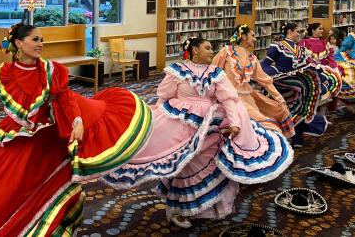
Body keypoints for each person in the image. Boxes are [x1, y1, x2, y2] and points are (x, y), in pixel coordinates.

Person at [0, 23, 152, 236]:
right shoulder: (0, 75)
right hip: (14, 138)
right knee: (1, 195)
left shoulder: (51, 70)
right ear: (18, 43)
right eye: (35, 40)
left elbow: (66, 100)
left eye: (42, 40)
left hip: (46, 139)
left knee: (47, 191)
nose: (41, 44)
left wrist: (77, 122)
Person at [103, 36, 293, 228]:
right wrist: (157, 122)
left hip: (209, 125)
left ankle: (200, 208)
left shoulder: (216, 73)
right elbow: (164, 97)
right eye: (208, 47)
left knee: (207, 164)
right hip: (181, 125)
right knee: (183, 165)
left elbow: (229, 100)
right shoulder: (177, 71)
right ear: (195, 50)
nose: (212, 51)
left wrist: (235, 123)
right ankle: (176, 209)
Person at [212, 24, 295, 138]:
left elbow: (264, 80)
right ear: (244, 36)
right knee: (264, 125)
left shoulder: (252, 57)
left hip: (248, 98)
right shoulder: (226, 51)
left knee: (270, 118)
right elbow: (213, 72)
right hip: (229, 98)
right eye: (252, 35)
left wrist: (279, 98)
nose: (255, 39)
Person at [260, 22, 333, 148]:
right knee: (285, 109)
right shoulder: (278, 46)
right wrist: (270, 75)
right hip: (281, 84)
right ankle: (281, 136)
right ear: (289, 32)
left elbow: (306, 65)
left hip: (298, 84)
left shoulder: (300, 49)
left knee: (299, 108)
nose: (299, 34)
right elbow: (266, 64)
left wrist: (320, 74)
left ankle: (296, 137)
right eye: (297, 31)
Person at [299, 23, 342, 114]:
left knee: (330, 88)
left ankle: (322, 116)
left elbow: (331, 57)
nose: (322, 30)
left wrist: (335, 68)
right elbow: (303, 57)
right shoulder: (304, 42)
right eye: (319, 29)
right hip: (309, 70)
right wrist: (314, 66)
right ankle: (310, 114)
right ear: (313, 30)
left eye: (322, 28)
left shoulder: (324, 42)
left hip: (325, 69)